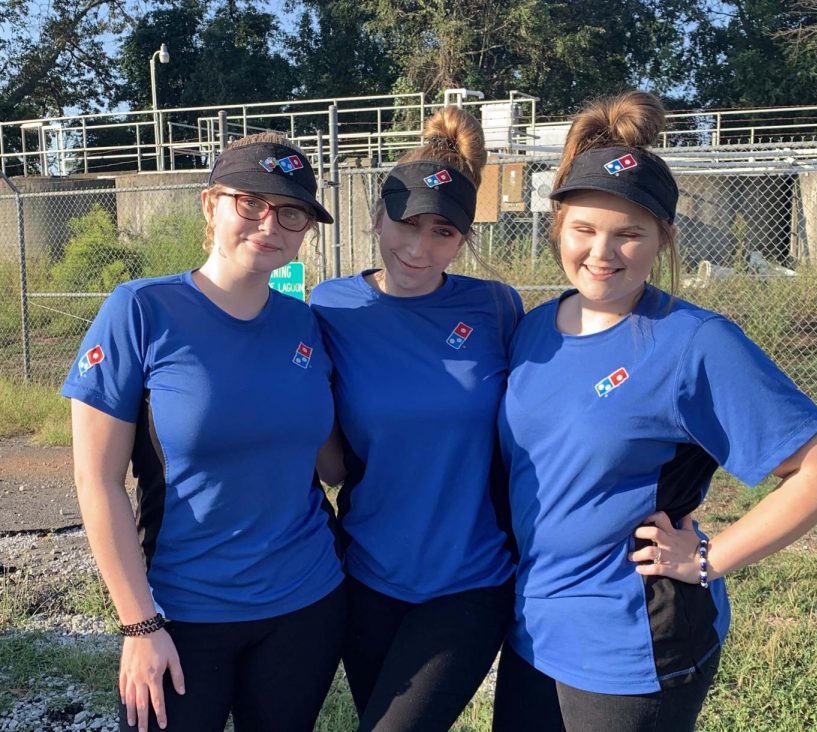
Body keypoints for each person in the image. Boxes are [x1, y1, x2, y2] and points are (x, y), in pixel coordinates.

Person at [491, 91, 817, 732]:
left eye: (628, 234)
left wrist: (708, 558)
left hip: (631, 645)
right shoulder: (532, 328)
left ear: (663, 239)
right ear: (557, 227)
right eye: (583, 229)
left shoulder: (693, 342)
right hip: (534, 634)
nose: (601, 253)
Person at [61, 133, 346, 732]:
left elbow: (329, 465)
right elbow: (97, 480)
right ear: (209, 204)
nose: (270, 224)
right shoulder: (140, 311)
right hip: (181, 614)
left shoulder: (306, 323)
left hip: (306, 605)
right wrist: (140, 624)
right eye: (250, 202)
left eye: (291, 212)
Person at [310, 106, 523, 732]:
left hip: (470, 576)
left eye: (443, 232)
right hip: (367, 574)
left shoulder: (495, 307)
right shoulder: (331, 307)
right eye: (406, 223)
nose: (419, 247)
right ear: (377, 216)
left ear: (463, 238)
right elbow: (307, 418)